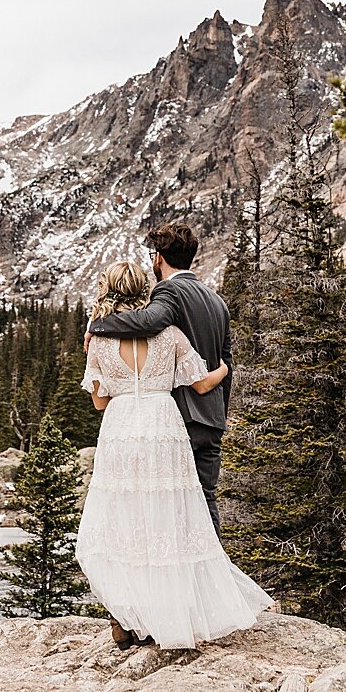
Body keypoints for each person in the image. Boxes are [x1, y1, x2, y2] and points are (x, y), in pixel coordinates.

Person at [75, 260, 272, 650]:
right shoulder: (170, 335)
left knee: (123, 517)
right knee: (168, 515)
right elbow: (201, 384)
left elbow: (99, 401)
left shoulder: (97, 340)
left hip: (121, 428)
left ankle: (125, 615)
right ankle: (169, 613)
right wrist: (224, 368)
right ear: (143, 291)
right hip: (162, 425)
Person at [86, 222, 232, 531]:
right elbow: (225, 360)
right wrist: (220, 413)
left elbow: (148, 324)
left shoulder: (168, 290)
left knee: (170, 510)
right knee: (206, 500)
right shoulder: (217, 301)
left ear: (158, 258)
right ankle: (209, 573)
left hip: (179, 419)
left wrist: (95, 327)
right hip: (212, 417)